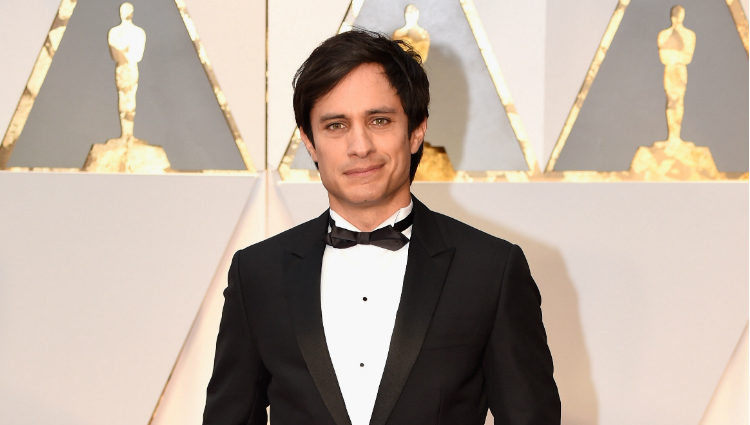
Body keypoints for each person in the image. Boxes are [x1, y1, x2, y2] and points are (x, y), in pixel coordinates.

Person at [203, 29, 560, 425]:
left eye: (379, 120)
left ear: (416, 130)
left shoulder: (491, 270)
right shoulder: (257, 273)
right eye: (336, 126)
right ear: (309, 142)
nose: (360, 146)